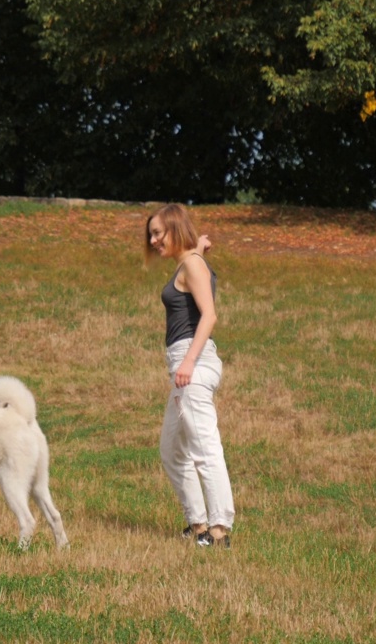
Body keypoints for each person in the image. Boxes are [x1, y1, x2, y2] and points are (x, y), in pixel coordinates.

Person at [145, 203, 234, 548]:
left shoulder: (192, 265)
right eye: (151, 234)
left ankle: (219, 529)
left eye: (158, 233)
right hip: (184, 365)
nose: (153, 240)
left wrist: (188, 364)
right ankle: (197, 524)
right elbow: (193, 264)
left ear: (175, 229)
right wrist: (198, 248)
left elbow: (208, 316)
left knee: (204, 446)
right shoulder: (190, 261)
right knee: (172, 450)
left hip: (190, 363)